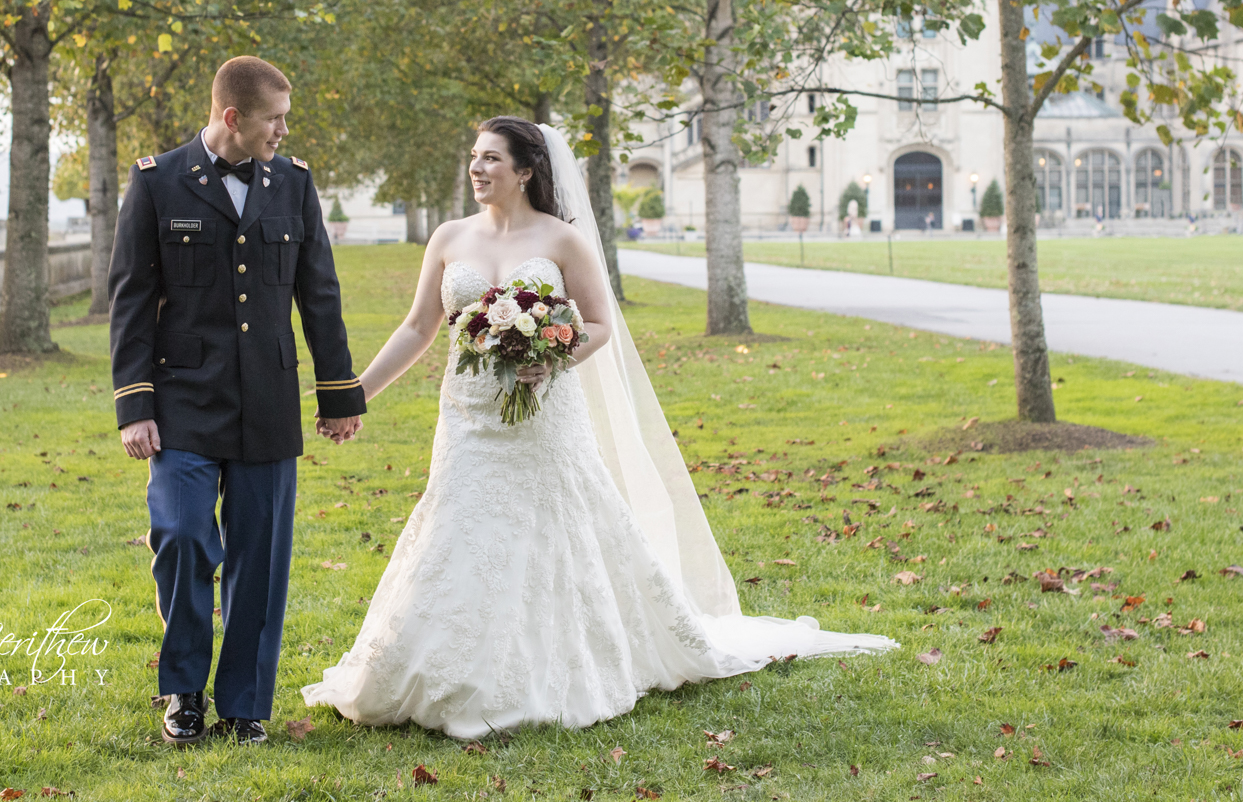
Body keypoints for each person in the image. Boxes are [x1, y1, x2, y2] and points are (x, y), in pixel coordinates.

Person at [302, 117, 894, 737]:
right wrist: (354, 394)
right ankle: (436, 666)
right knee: (459, 522)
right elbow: (419, 327)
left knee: (551, 526)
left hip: (544, 413)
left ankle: (551, 666)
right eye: (474, 158)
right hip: (468, 415)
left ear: (526, 170)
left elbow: (599, 326)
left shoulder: (563, 241)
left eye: (492, 160)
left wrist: (547, 356)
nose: (477, 169)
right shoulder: (449, 237)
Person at [109, 56, 365, 747]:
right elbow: (131, 297)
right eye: (273, 118)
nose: (283, 129)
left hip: (269, 399)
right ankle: (184, 689)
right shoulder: (157, 181)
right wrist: (134, 403)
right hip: (184, 399)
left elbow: (320, 293)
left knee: (261, 555)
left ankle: (245, 701)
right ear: (233, 117)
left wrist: (339, 392)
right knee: (183, 535)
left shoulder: (295, 182)